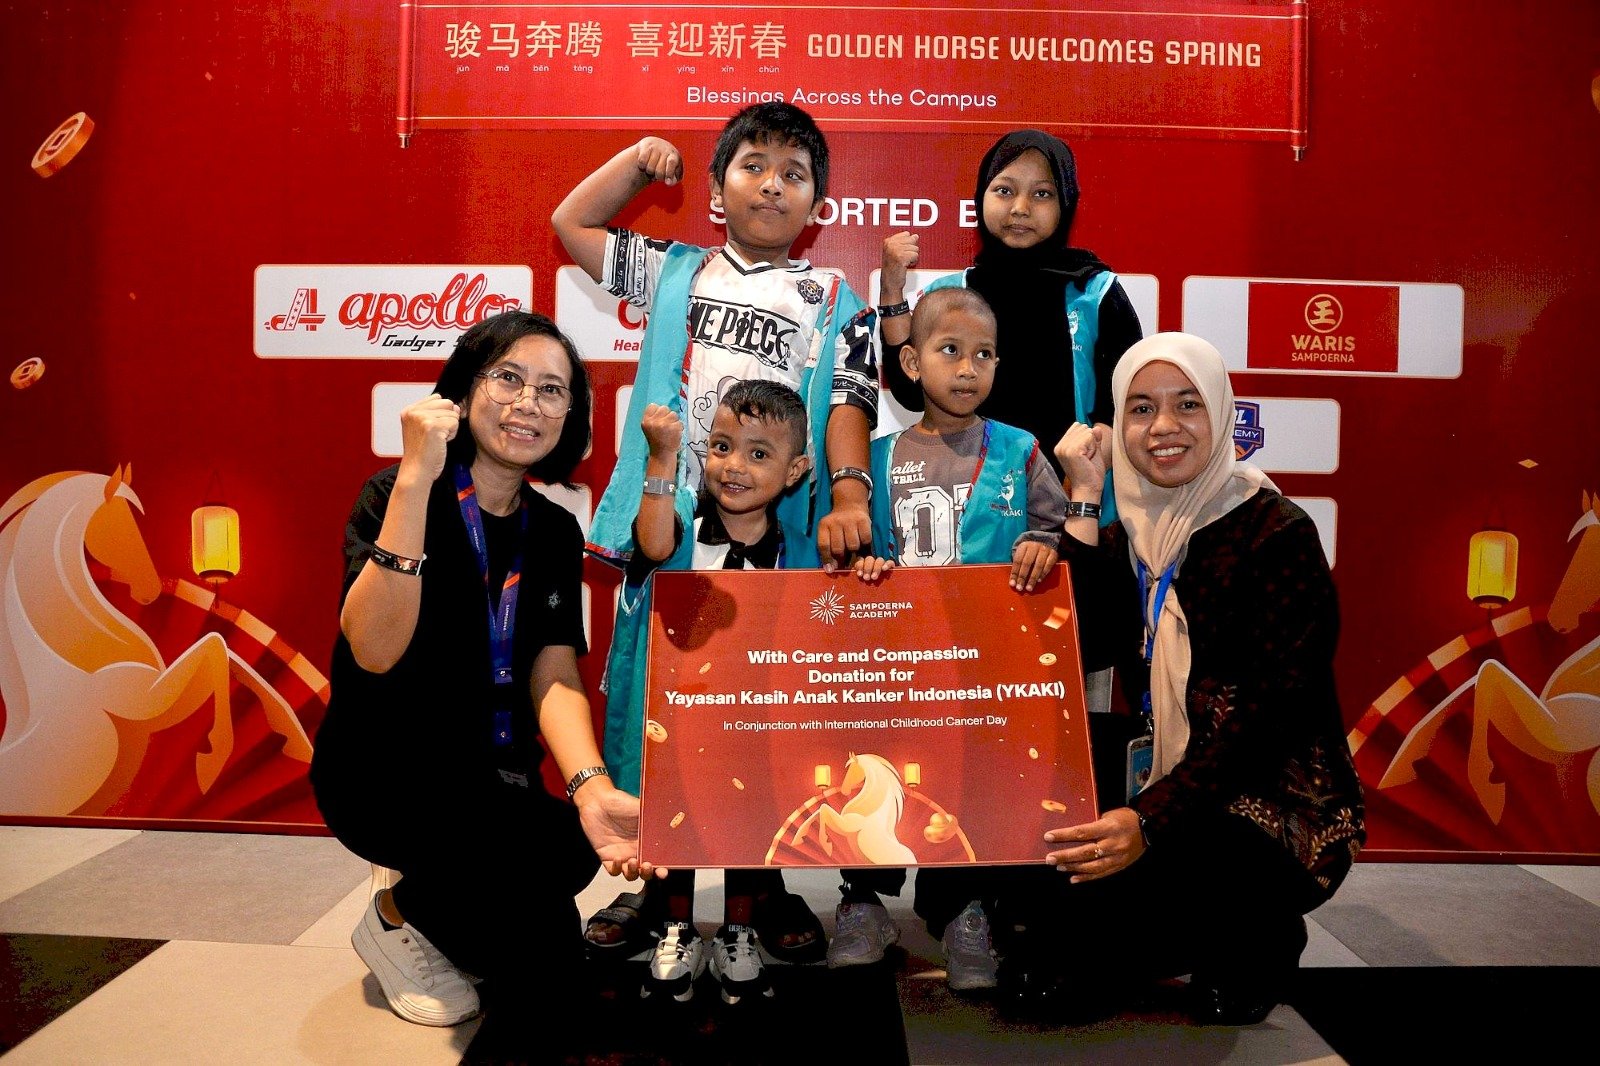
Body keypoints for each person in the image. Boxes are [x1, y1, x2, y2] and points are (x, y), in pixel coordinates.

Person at [1007, 331, 1364, 1024]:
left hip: (1267, 800)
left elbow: (1266, 722)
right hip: (1161, 781)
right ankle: (1153, 932)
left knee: (1125, 953)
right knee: (1037, 971)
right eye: (1140, 408)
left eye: (1187, 404)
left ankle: (1261, 939)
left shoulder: (1274, 533)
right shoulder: (1132, 536)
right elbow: (1086, 643)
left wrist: (1148, 820)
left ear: (1221, 413)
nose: (1163, 427)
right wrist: (1085, 495)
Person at [309, 311, 646, 1038]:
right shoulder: (393, 494)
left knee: (570, 854)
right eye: (508, 379)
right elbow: (374, 649)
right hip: (385, 774)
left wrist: (590, 786)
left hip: (490, 776)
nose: (528, 403)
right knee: (533, 960)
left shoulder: (552, 529)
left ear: (570, 414)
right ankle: (396, 913)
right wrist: (415, 480)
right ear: (463, 392)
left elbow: (553, 670)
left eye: (551, 390)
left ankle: (418, 906)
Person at [841, 288, 1069, 986]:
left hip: (984, 670)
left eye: (984, 355)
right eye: (950, 351)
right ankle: (862, 902)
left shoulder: (1020, 450)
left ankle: (966, 912)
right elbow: (852, 556)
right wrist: (864, 566)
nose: (968, 368)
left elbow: (1055, 528)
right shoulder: (877, 457)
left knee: (971, 785)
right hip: (896, 666)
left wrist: (1043, 544)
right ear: (912, 363)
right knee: (875, 772)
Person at [551, 100, 879, 573]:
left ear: (816, 209)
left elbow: (849, 405)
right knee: (663, 621)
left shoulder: (836, 300)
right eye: (753, 166)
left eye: (793, 175)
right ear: (717, 190)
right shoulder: (675, 271)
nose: (771, 184)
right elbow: (572, 223)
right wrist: (637, 163)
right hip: (669, 514)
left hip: (777, 530)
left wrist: (849, 499)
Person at [597, 379, 830, 1005]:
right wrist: (661, 459)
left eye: (759, 454)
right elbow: (651, 543)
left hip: (756, 724)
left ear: (795, 471)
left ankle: (738, 929)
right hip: (675, 719)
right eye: (723, 447)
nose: (735, 467)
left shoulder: (800, 552)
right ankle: (676, 925)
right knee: (675, 819)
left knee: (748, 821)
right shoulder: (678, 526)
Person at [877, 129, 1142, 494]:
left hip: (1076, 500)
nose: (1020, 207)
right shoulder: (952, 294)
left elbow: (1122, 408)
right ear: (981, 196)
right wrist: (892, 291)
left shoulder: (1096, 293)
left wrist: (1080, 483)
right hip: (967, 502)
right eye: (1004, 190)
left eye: (1042, 194)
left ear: (1066, 202)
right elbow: (910, 391)